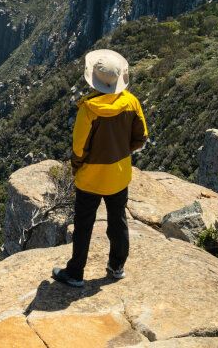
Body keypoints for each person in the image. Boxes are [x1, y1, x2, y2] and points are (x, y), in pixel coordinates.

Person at [52, 49, 148, 288]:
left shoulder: (89, 110)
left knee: (84, 224)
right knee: (118, 220)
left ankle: (75, 272)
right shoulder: (131, 102)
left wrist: (76, 166)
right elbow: (142, 137)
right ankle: (117, 267)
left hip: (91, 178)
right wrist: (121, 151)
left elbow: (79, 148)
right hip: (119, 174)